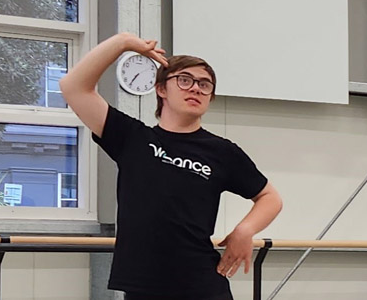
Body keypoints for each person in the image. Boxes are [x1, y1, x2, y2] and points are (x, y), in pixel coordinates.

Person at [60, 32, 283, 300]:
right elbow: (73, 87)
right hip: (143, 287)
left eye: (205, 84)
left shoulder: (222, 152)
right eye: (185, 80)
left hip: (202, 285)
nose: (195, 88)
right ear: (161, 89)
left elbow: (270, 197)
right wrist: (123, 43)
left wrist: (245, 230)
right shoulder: (132, 138)